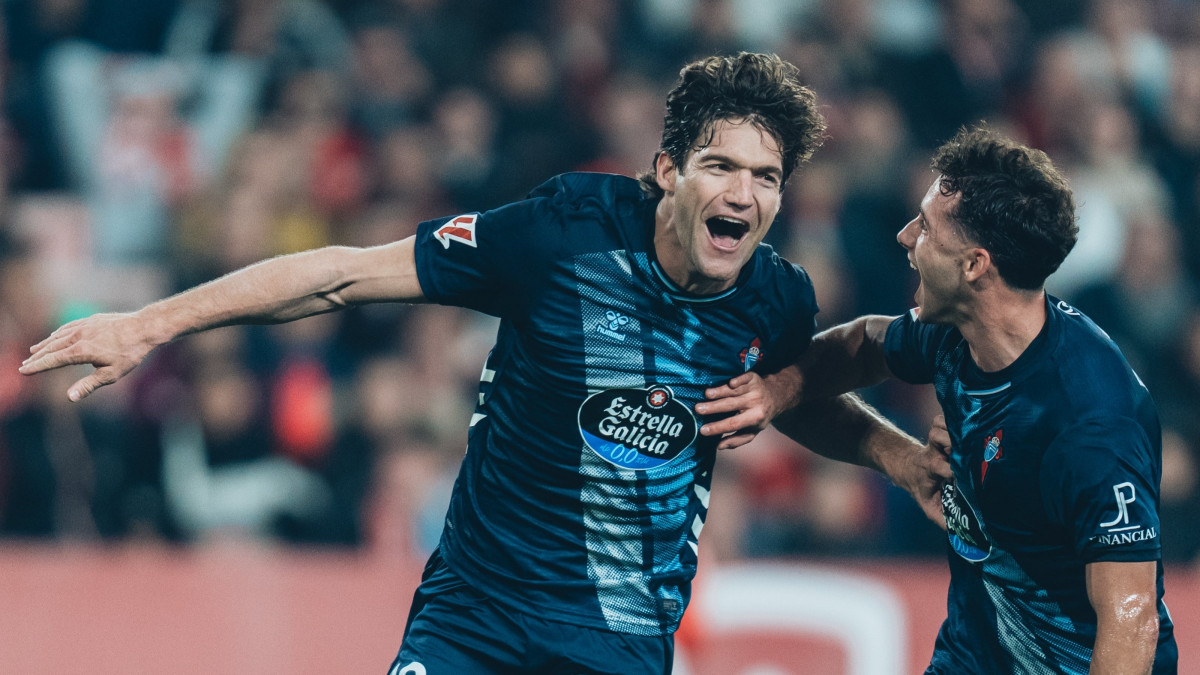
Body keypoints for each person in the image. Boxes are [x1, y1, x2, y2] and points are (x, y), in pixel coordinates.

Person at [20, 52, 948, 674]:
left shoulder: (775, 298)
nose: (743, 193)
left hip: (619, 640)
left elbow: (793, 394)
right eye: (721, 165)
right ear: (667, 169)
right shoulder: (557, 235)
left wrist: (893, 451)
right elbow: (344, 277)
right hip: (477, 614)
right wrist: (150, 324)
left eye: (767, 176)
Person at [698, 126, 1179, 673]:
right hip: (970, 657)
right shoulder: (957, 332)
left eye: (925, 227)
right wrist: (780, 392)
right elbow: (861, 346)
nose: (904, 237)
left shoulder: (1088, 424)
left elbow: (1130, 616)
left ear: (975, 265)